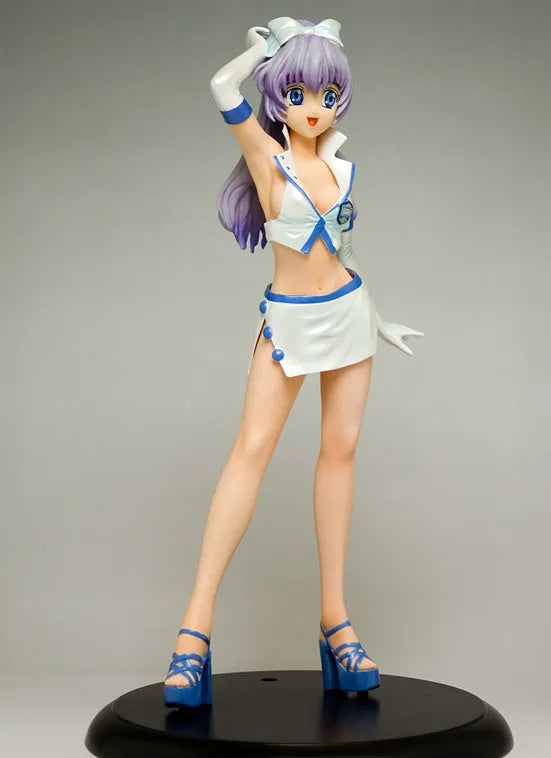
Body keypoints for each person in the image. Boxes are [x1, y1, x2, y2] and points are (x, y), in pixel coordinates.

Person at [164, 16, 424, 707]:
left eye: (329, 95)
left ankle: (336, 623)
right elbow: (222, 87)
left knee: (340, 452)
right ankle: (194, 631)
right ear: (279, 94)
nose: (315, 108)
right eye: (300, 92)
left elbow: (343, 254)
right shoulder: (266, 157)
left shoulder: (339, 167)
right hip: (290, 322)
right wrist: (261, 50)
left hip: (350, 312)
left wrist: (378, 318)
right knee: (250, 452)